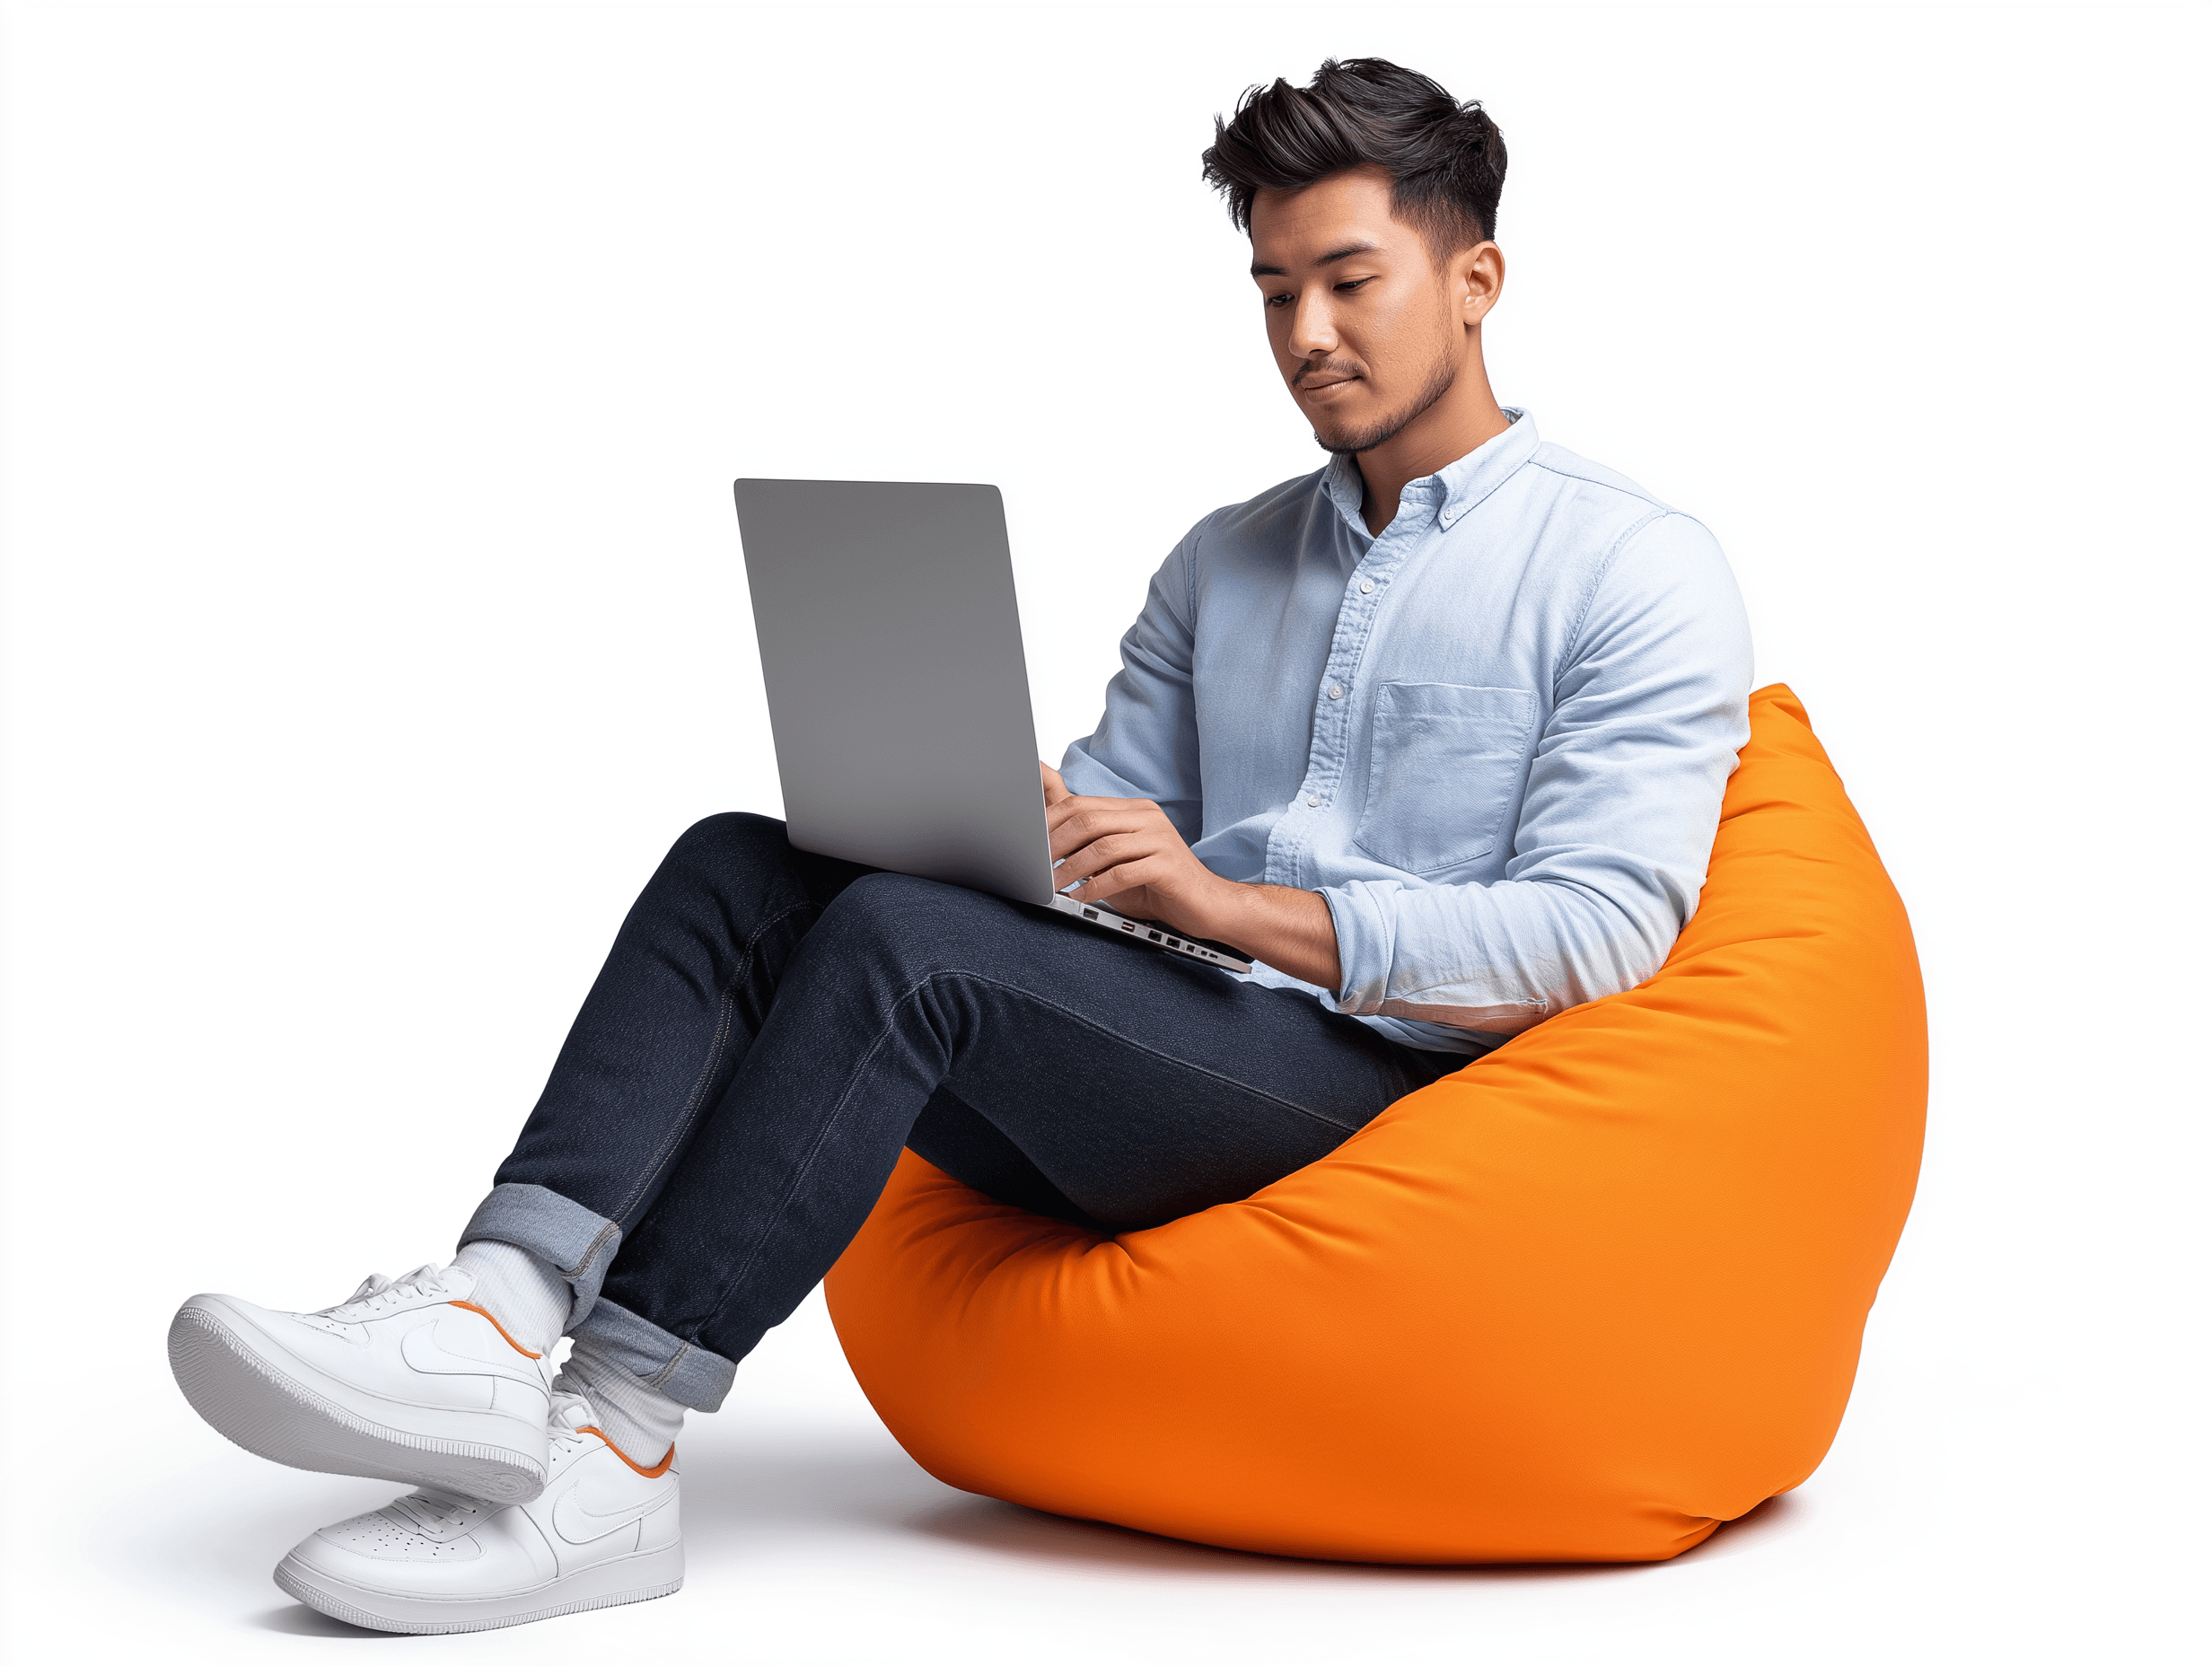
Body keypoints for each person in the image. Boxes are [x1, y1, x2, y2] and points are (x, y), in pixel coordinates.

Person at [168, 57, 1753, 1633]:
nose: (1307, 338)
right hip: (1172, 1035)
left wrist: (1231, 904)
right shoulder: (1226, 559)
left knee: (908, 954)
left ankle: (617, 1443)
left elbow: (1602, 933)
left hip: (1383, 1094)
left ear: (1475, 279)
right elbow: (1116, 826)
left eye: (1351, 281)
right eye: (1272, 290)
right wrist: (1009, 820)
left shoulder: (1632, 567)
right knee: (748, 863)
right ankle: (496, 1317)